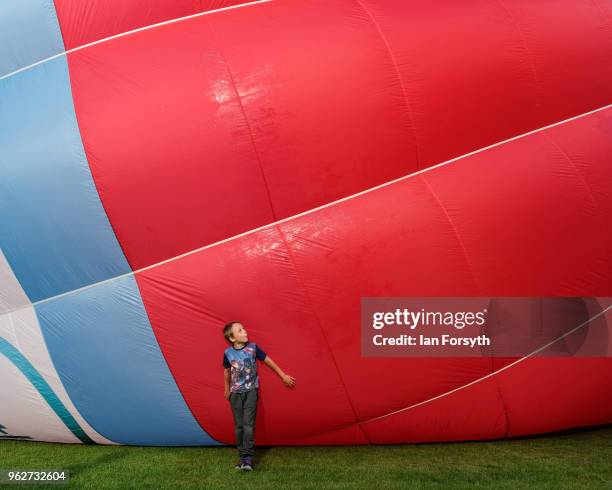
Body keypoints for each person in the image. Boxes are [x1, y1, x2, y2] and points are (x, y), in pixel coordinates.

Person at [222, 321, 296, 471]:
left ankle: (248, 459)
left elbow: (268, 361)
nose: (245, 331)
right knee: (239, 426)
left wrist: (282, 375)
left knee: (248, 425)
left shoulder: (253, 348)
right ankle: (241, 457)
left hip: (251, 392)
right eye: (240, 330)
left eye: (243, 328)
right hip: (235, 394)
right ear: (232, 338)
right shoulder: (227, 353)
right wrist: (227, 389)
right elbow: (226, 371)